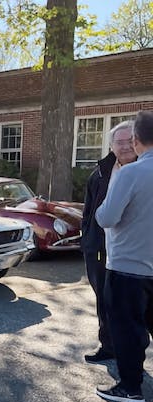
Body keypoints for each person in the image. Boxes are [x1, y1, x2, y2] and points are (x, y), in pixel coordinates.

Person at [95, 111, 153, 402]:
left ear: (136, 139)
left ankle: (130, 389)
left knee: (128, 330)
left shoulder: (131, 173)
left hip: (128, 268)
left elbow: (107, 217)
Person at [81, 120, 138, 364]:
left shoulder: (146, 170)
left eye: (130, 141)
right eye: (119, 142)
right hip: (102, 249)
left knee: (137, 304)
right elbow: (88, 212)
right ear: (111, 145)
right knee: (104, 299)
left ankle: (133, 354)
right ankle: (109, 345)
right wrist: (88, 241)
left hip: (137, 250)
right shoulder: (101, 173)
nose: (125, 146)